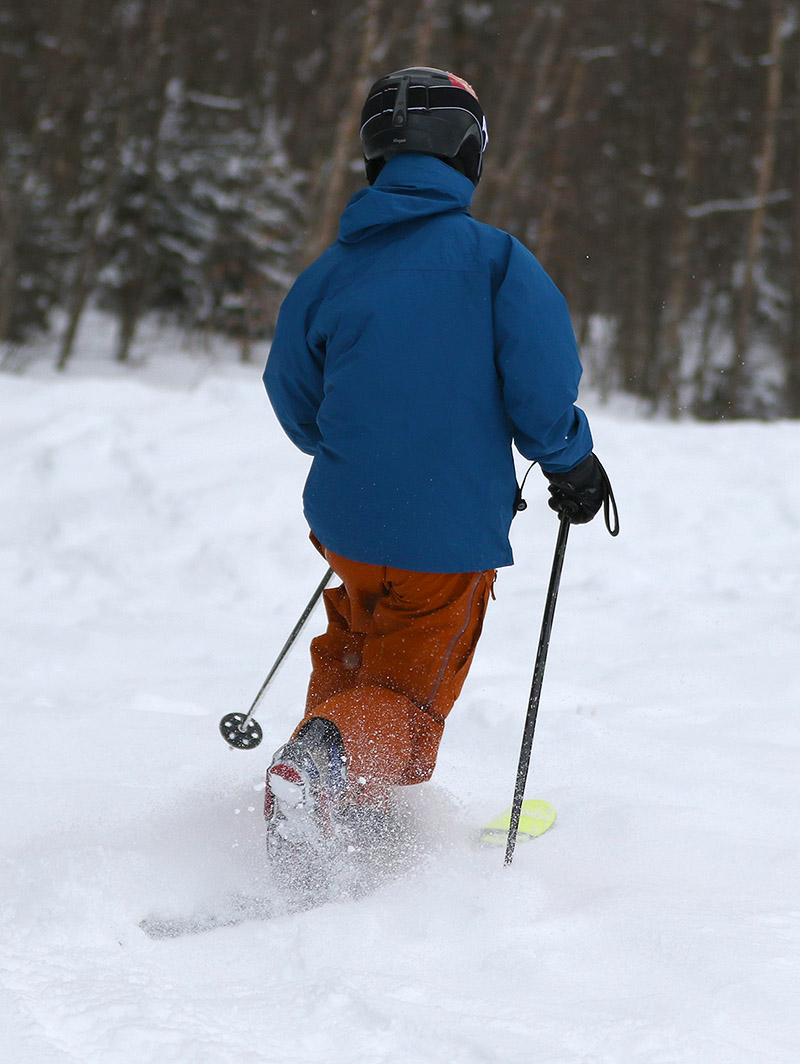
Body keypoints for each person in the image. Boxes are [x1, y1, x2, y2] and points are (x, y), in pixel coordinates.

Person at [261, 67, 611, 863]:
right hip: (444, 534)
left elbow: (291, 390)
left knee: (355, 643)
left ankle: (330, 798)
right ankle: (322, 773)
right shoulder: (496, 262)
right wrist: (572, 462)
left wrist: (356, 451)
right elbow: (540, 388)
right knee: (406, 692)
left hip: (347, 522)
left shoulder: (332, 270)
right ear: (468, 153)